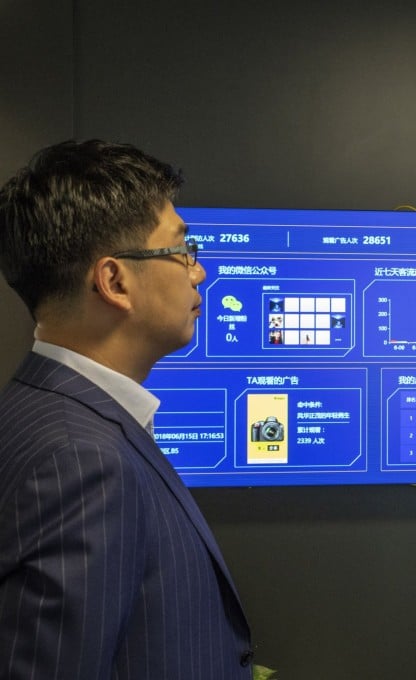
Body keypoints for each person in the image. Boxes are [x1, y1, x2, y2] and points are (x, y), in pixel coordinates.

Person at [0, 140, 254, 678]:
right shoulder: (80, 460)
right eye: (181, 250)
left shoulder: (41, 413)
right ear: (115, 281)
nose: (199, 272)